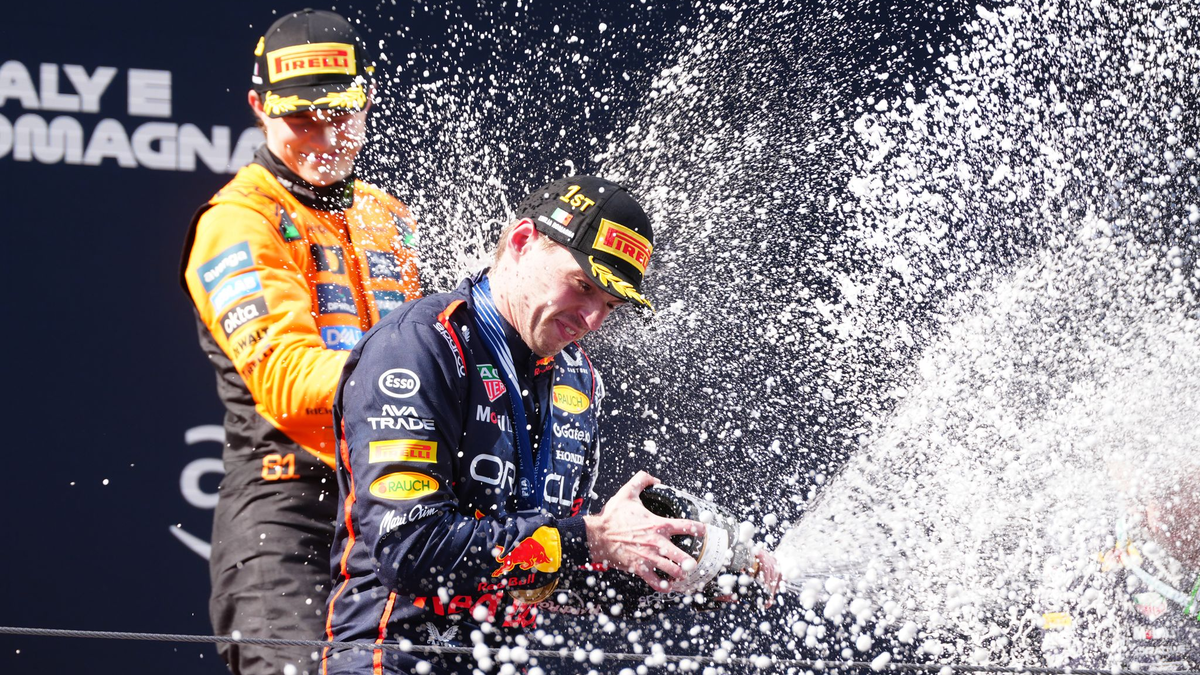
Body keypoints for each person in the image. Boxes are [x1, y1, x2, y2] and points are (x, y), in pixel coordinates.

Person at [320, 176, 779, 675]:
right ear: (522, 241)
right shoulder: (418, 345)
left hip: (506, 662)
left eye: (611, 305)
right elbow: (410, 549)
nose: (592, 319)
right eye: (583, 286)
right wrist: (594, 538)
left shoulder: (578, 377)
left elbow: (550, 573)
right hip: (392, 659)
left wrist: (686, 570)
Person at [179, 9, 422, 675]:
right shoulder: (239, 220)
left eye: (339, 113)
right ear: (260, 108)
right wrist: (422, 377)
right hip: (288, 513)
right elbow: (286, 377)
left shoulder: (388, 217)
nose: (324, 135)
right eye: (300, 118)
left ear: (367, 101)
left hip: (390, 507)